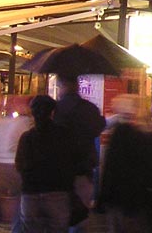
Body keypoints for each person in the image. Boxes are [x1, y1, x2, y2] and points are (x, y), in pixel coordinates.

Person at [97, 95, 152, 233]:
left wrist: (103, 197)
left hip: (117, 197)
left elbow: (110, 168)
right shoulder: (140, 136)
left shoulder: (119, 135)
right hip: (134, 197)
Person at [15, 95, 82, 233]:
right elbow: (73, 161)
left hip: (31, 194)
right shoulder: (64, 135)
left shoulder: (27, 138)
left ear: (32, 113)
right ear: (52, 112)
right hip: (57, 193)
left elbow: (20, 165)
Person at [52, 75, 105, 228]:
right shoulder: (89, 108)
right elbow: (98, 128)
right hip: (83, 168)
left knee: (58, 215)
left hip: (58, 170)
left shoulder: (55, 109)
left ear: (63, 86)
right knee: (80, 215)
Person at [0, 96, 34, 233]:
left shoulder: (2, 122)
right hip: (12, 164)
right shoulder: (24, 123)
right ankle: (15, 226)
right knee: (22, 197)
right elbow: (14, 146)